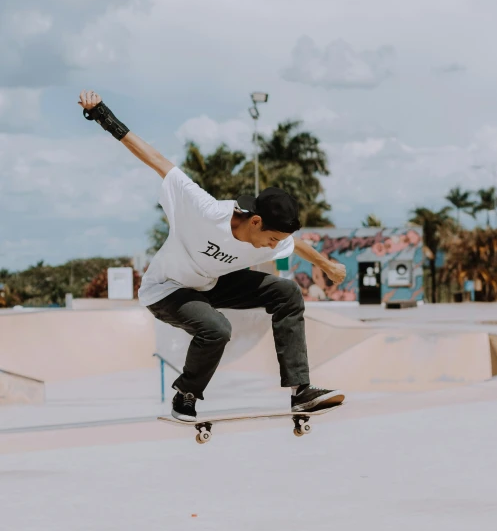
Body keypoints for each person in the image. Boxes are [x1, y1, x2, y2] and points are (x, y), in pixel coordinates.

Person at [78, 90, 346, 421]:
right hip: (167, 289)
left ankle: (300, 391)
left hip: (211, 283)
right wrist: (100, 113)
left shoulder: (270, 237)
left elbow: (297, 244)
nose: (273, 246)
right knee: (217, 328)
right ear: (255, 220)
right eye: (272, 239)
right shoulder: (204, 209)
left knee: (287, 292)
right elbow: (155, 159)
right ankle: (186, 395)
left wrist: (327, 265)